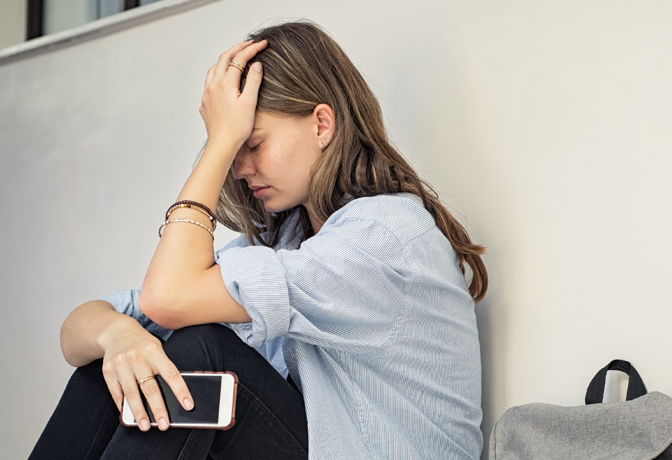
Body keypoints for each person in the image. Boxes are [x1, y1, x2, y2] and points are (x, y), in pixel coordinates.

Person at [31, 21, 488, 459]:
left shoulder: (383, 237)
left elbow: (167, 298)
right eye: (234, 150)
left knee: (202, 354)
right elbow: (81, 329)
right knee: (115, 366)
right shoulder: (286, 243)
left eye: (252, 144)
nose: (239, 168)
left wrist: (219, 142)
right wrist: (117, 336)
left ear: (322, 125)